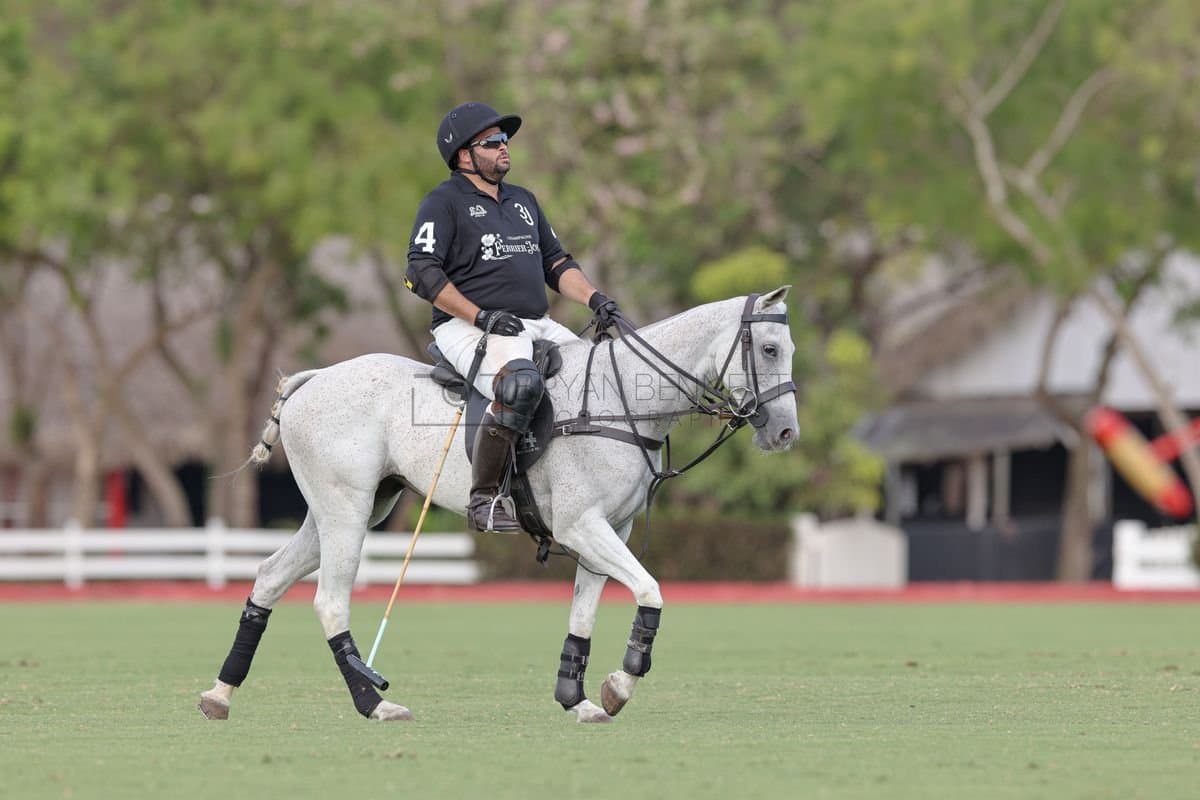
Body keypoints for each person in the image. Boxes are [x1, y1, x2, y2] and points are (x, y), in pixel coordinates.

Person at [405, 101, 625, 533]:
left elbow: (556, 263)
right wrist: (481, 316)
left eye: (505, 140)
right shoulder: (443, 202)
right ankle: (484, 498)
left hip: (533, 322)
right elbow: (420, 272)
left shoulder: (523, 200)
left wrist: (595, 297)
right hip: (468, 326)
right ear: (464, 156)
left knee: (600, 375)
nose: (505, 147)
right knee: (520, 385)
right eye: (492, 142)